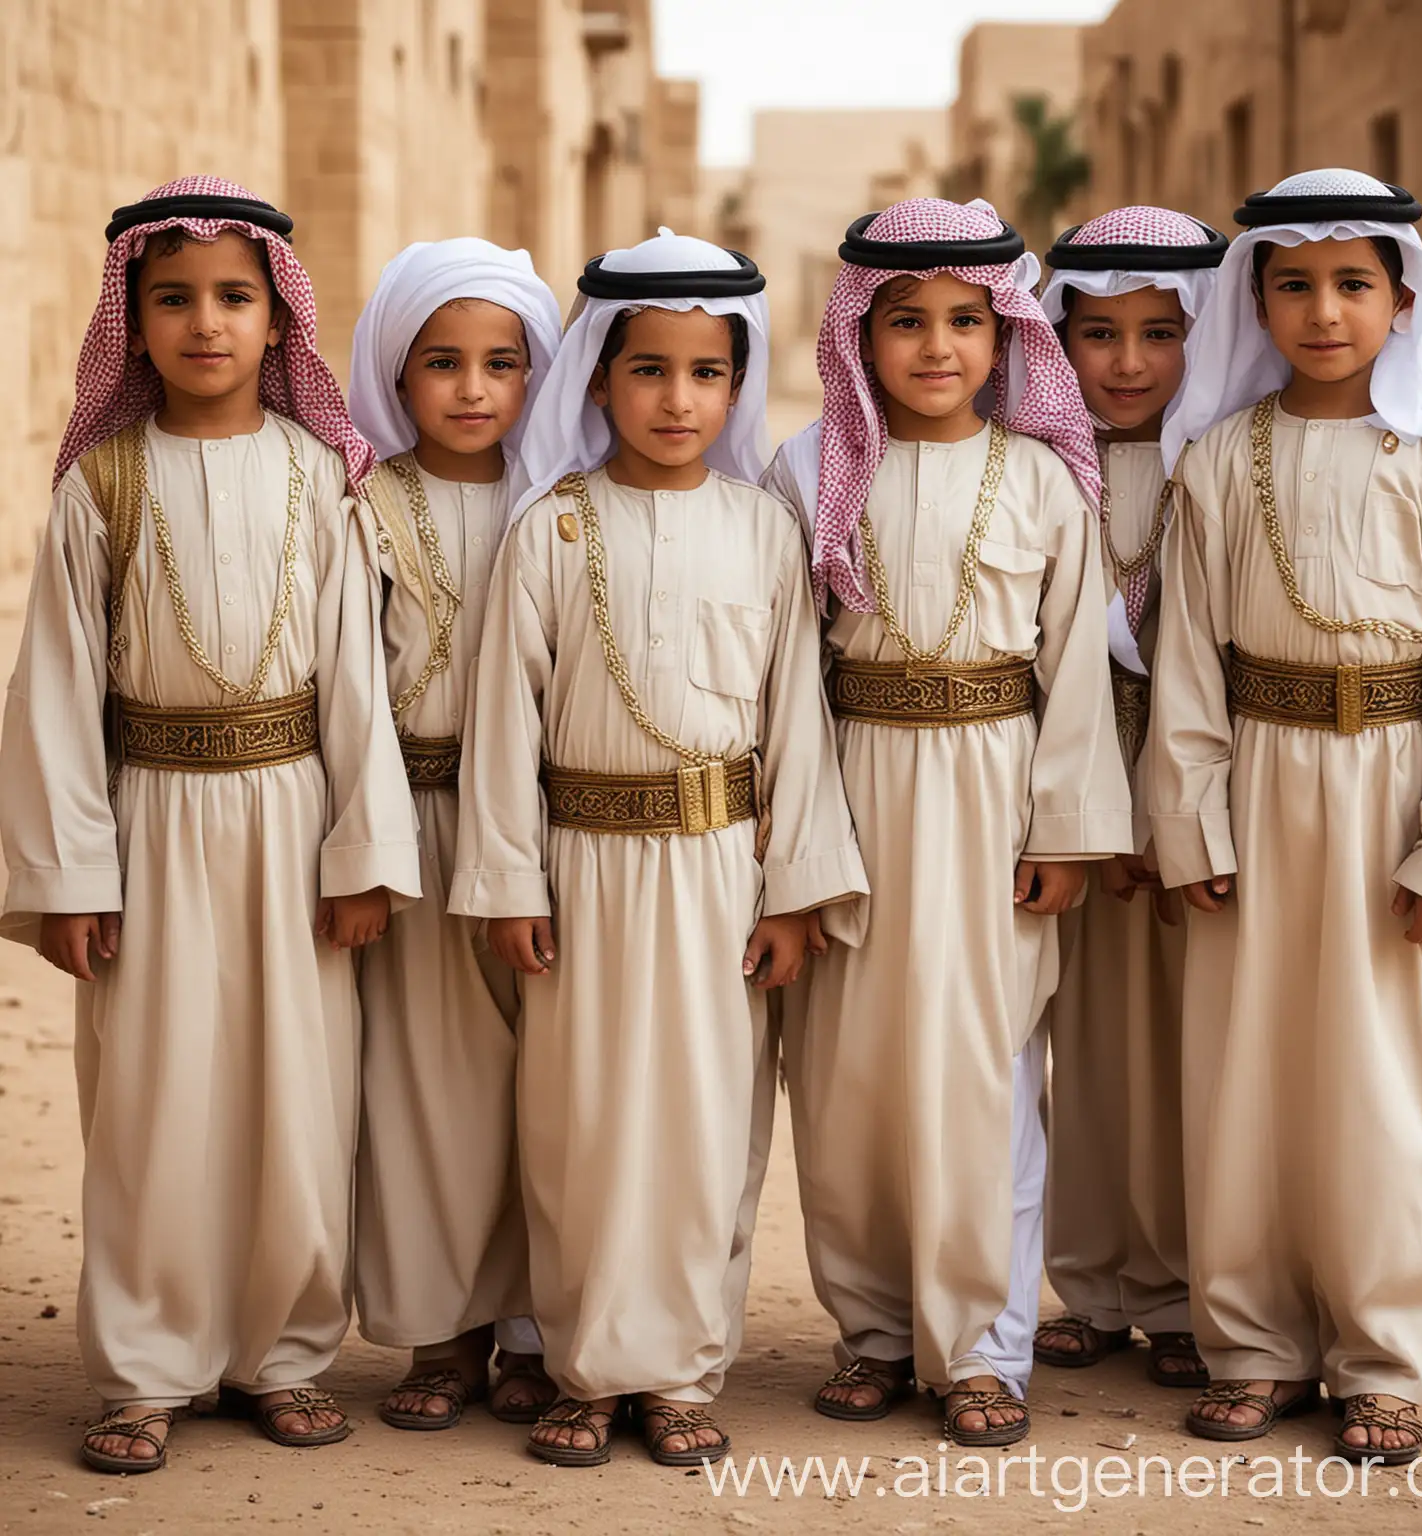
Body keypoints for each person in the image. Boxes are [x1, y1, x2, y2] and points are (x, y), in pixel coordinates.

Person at [0, 176, 420, 1473]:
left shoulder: (320, 478)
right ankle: (146, 1367)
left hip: (294, 826)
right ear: (130, 319)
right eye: (172, 298)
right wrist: (77, 873)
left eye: (235, 296)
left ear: (278, 316)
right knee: (153, 1102)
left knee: (296, 1101)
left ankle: (282, 1355)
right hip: (152, 830)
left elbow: (358, 682)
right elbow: (61, 692)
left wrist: (362, 853)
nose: (205, 323)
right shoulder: (105, 485)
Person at [449, 230, 866, 1468]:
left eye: (705, 374)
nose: (675, 399)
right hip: (579, 872)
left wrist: (792, 893)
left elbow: (800, 723)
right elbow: (503, 730)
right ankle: (585, 1366)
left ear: (738, 389)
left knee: (702, 1127)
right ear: (596, 378)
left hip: (720, 876)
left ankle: (681, 1370)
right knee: (579, 1125)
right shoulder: (550, 532)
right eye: (647, 370)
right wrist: (510, 880)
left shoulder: (765, 532)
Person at [1149, 169, 1422, 1463]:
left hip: (1394, 789)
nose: (1324, 311)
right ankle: (1251, 1344)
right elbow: (1189, 671)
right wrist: (1191, 822)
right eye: (1296, 284)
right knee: (1244, 1077)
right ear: (1255, 299)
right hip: (1258, 785)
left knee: (1387, 1084)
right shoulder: (1218, 458)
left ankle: (1379, 1357)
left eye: (1354, 284)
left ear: (1403, 297)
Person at [763, 197, 1131, 1448]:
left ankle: (982, 1349)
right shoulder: (805, 471)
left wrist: (1067, 828)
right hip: (852, 791)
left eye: (965, 321)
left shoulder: (1042, 475)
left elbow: (1075, 666)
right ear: (858, 334)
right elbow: (785, 682)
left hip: (991, 800)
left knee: (980, 1081)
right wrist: (799, 854)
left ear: (1004, 334)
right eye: (905, 320)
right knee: (848, 1079)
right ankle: (871, 1333)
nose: (935, 347)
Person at [347, 238, 563, 1431]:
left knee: (549, 1086)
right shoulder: (357, 502)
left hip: (551, 832)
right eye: (443, 362)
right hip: (415, 829)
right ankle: (443, 1332)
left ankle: (535, 1329)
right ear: (395, 369)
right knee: (427, 1086)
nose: (474, 390)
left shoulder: (566, 498)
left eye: (503, 362)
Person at [1025, 207, 1226, 1391]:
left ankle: (1200, 1289)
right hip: (1067, 807)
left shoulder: (1227, 457)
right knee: (1090, 1048)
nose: (1130, 363)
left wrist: (1178, 810)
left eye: (1161, 332)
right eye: (1098, 334)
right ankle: (1094, 1285)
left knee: (1200, 1047)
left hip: (1202, 807)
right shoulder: (1039, 465)